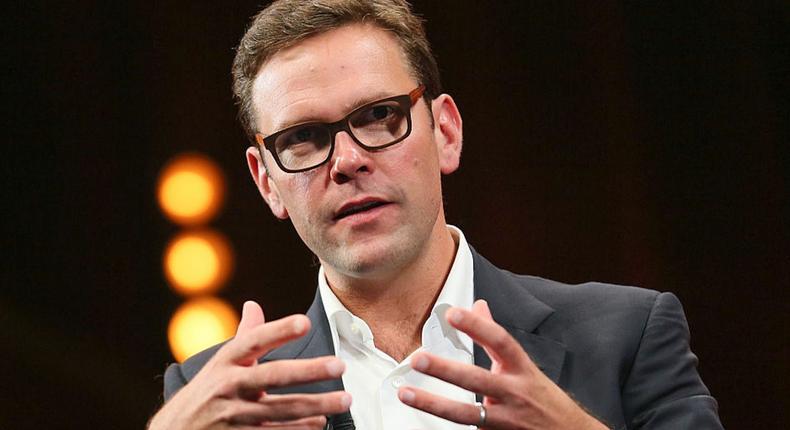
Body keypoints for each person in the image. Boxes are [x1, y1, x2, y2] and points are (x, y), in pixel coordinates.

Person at [149, 1, 723, 429]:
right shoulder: (217, 397)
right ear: (266, 181)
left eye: (378, 115)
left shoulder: (627, 335)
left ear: (445, 132)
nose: (347, 161)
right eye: (303, 138)